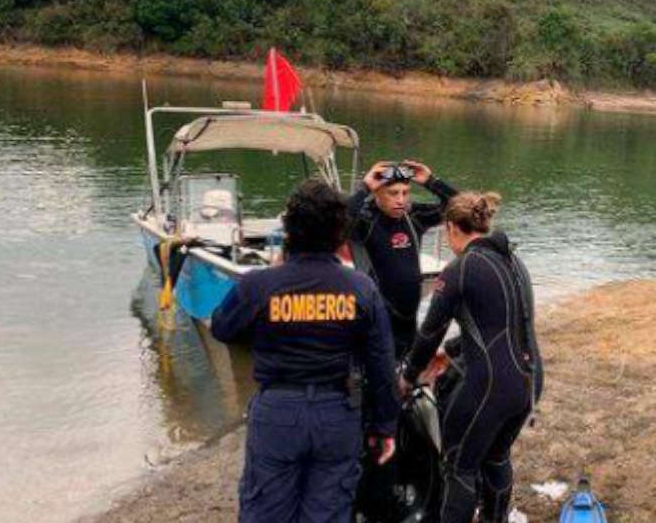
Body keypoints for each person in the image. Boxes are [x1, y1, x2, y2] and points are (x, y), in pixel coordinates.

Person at [211, 179, 398, 522]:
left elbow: (222, 328)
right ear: (340, 234)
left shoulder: (260, 284)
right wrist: (385, 426)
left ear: (288, 230)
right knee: (329, 509)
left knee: (266, 509)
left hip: (277, 411)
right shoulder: (361, 287)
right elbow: (382, 364)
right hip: (336, 412)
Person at [400, 192, 543, 523]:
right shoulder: (514, 260)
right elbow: (501, 323)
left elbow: (429, 332)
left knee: (459, 465)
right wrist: (452, 352)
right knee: (496, 456)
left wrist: (407, 378)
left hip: (492, 386)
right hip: (530, 381)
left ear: (451, 227)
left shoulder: (460, 268)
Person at [348, 160, 458, 358]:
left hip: (408, 322)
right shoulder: (365, 220)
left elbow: (459, 207)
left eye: (405, 193)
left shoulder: (413, 216)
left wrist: (431, 181)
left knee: (407, 372)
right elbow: (337, 219)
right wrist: (364, 187)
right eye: (393, 193)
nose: (401, 200)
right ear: (377, 192)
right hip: (377, 320)